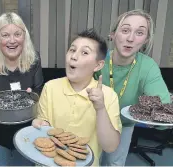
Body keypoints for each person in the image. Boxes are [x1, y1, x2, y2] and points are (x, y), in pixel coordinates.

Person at [32, 29, 122, 166]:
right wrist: (39, 124)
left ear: (98, 65)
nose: (73, 56)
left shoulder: (108, 96)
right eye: (72, 50)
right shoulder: (50, 87)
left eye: (84, 52)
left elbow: (110, 147)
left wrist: (100, 108)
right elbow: (44, 126)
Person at [97, 9, 171, 166]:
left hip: (123, 124)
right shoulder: (97, 60)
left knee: (114, 163)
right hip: (91, 120)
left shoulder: (147, 66)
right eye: (125, 30)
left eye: (139, 33)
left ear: (145, 40)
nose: (130, 38)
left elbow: (163, 105)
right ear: (113, 34)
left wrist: (157, 119)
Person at [0, 12, 44, 166]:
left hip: (27, 135)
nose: (12, 41)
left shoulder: (34, 58)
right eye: (5, 35)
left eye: (17, 34)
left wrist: (33, 97)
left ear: (24, 36)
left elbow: (39, 91)